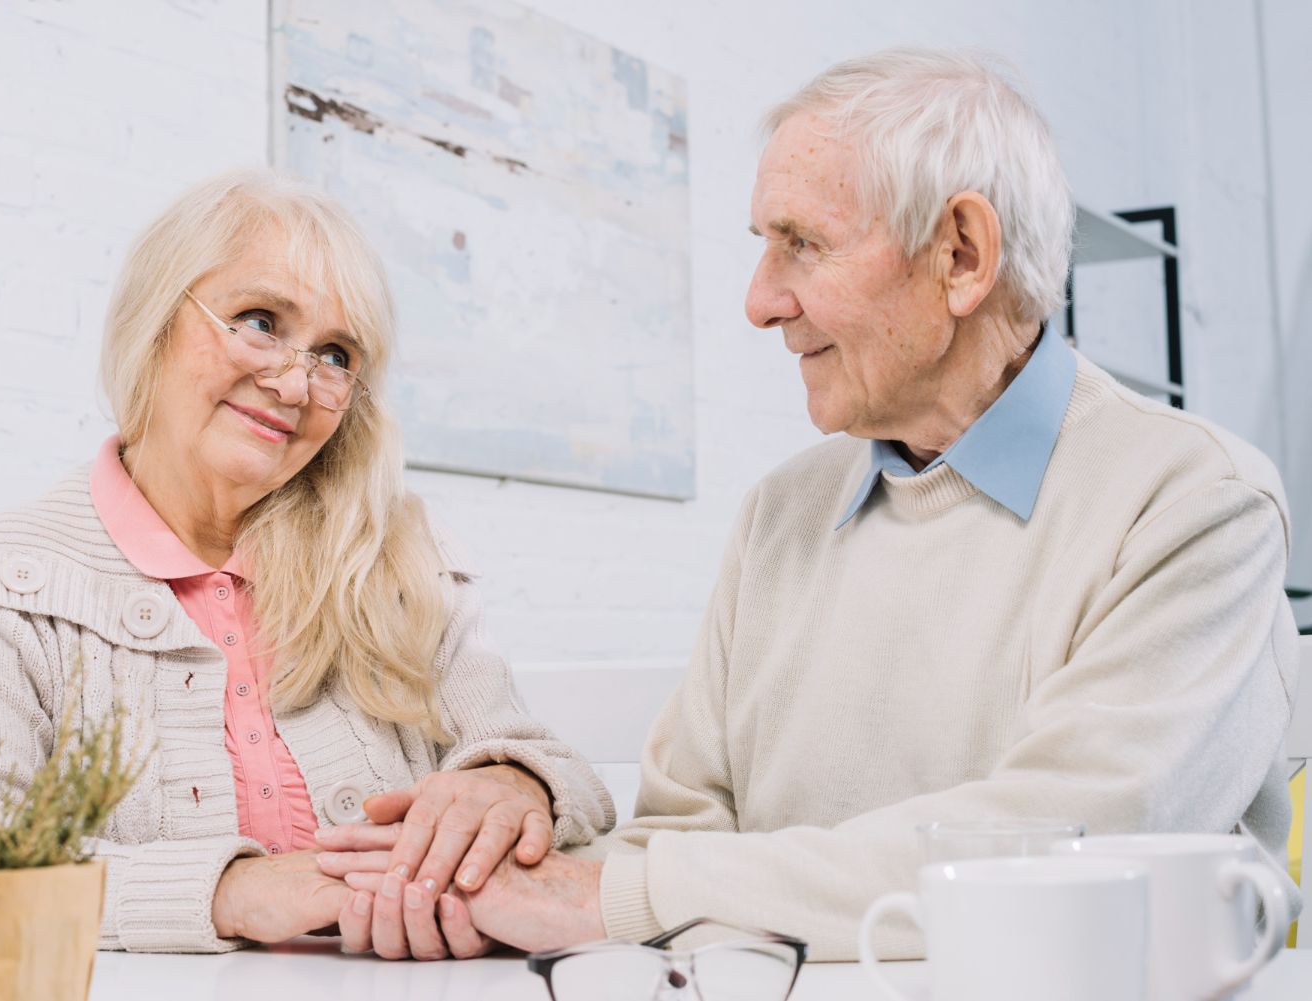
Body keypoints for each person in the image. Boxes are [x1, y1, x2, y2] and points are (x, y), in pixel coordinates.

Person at [328, 46, 1303, 961]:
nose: (760, 300)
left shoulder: (1196, 504)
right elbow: (680, 830)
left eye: (801, 244)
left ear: (962, 254)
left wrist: (620, 894)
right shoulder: (777, 517)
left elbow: (1064, 858)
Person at [0, 167, 612, 955]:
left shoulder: (398, 558)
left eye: (335, 353)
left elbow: (565, 775)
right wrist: (231, 891)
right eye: (260, 320)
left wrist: (510, 783)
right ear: (155, 320)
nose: (295, 381)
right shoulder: (14, 572)